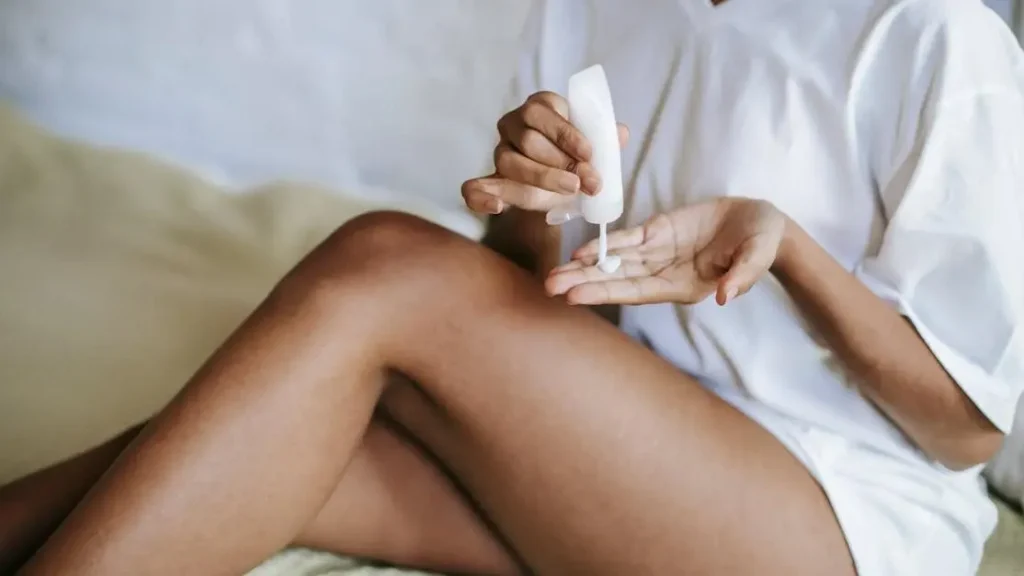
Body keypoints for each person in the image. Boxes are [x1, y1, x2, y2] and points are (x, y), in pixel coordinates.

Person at [2, 0, 1023, 574]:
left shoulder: (927, 36)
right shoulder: (597, 9)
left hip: (829, 525)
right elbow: (509, 305)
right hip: (614, 468)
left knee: (385, 263)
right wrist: (529, 199)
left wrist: (787, 251)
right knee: (291, 419)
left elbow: (965, 433)